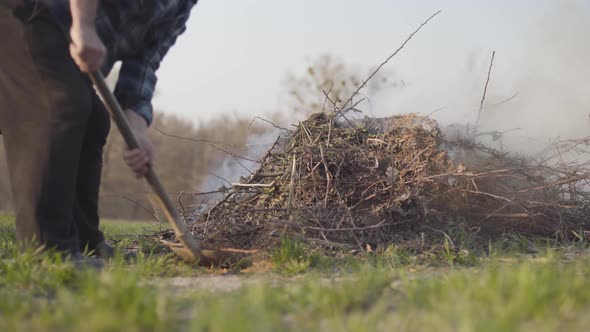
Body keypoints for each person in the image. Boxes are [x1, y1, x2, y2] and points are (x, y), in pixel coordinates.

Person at [0, 0, 198, 268]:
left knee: (94, 121)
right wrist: (84, 26)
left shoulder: (180, 7)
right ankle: (45, 249)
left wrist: (137, 131)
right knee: (61, 105)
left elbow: (144, 65)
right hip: (30, 13)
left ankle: (84, 243)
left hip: (64, 46)